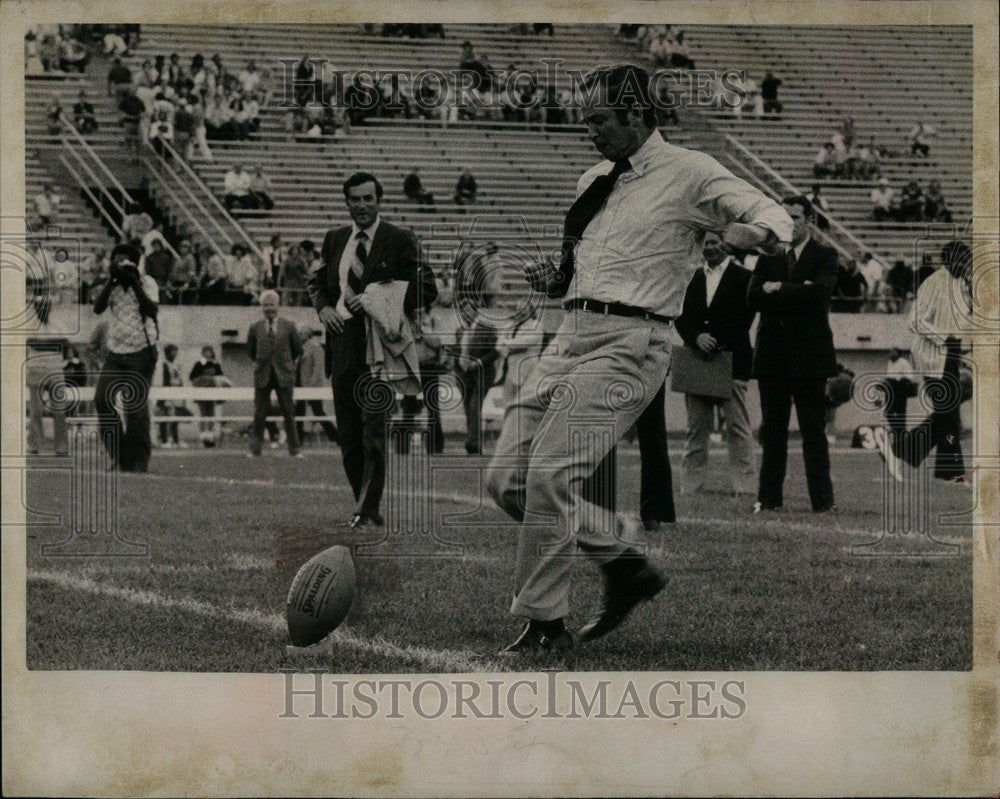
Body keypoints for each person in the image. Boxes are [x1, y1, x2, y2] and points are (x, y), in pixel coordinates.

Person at [485, 64, 793, 655]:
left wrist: (754, 235)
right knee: (507, 482)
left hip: (631, 343)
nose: (587, 128)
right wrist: (554, 278)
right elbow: (580, 272)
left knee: (550, 475)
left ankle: (545, 626)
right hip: (567, 336)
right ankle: (623, 563)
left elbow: (770, 211)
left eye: (599, 118)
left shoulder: (692, 172)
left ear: (637, 115)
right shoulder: (592, 179)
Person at [308, 172, 437, 528]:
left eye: (368, 199)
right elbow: (317, 282)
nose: (362, 205)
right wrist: (323, 309)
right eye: (355, 199)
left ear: (379, 200)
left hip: (379, 350)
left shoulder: (400, 239)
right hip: (341, 348)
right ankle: (364, 506)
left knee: (373, 434)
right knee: (349, 438)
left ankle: (365, 509)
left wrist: (377, 298)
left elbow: (427, 289)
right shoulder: (335, 239)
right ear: (346, 202)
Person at [748, 195, 837, 513]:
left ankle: (822, 502)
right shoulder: (769, 255)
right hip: (773, 355)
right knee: (772, 431)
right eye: (784, 217)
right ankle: (768, 498)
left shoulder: (825, 254)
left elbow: (820, 294)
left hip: (810, 357)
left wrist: (780, 288)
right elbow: (754, 297)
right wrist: (798, 289)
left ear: (809, 221)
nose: (789, 223)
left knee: (814, 432)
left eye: (795, 217)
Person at [877, 242, 972, 483]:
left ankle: (908, 452)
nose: (966, 266)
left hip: (950, 356)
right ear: (949, 262)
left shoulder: (960, 284)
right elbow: (915, 320)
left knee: (947, 414)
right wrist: (945, 338)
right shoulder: (933, 283)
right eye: (962, 262)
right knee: (948, 414)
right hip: (933, 358)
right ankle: (949, 470)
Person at [674, 230, 756, 495]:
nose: (710, 248)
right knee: (696, 426)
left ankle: (743, 485)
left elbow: (745, 316)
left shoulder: (745, 278)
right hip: (697, 357)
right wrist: (696, 336)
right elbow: (678, 312)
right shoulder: (691, 278)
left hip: (731, 357)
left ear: (726, 244)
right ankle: (690, 485)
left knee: (737, 426)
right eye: (706, 243)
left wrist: (715, 338)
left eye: (715, 242)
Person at [91, 243, 160, 472]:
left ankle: (138, 460)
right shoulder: (111, 285)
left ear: (134, 262)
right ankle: (119, 455)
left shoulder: (147, 282)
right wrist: (112, 281)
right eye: (116, 261)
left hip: (141, 351)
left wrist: (134, 283)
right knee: (102, 399)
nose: (120, 264)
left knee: (135, 407)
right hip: (116, 352)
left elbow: (152, 310)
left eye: (125, 261)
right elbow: (98, 308)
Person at [246, 290, 302, 457]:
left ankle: (295, 450)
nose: (269, 308)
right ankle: (255, 450)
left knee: (289, 413)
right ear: (262, 307)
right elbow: (250, 351)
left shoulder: (289, 325)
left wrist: (284, 364)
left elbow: (297, 349)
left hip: (284, 375)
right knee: (259, 414)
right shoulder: (255, 327)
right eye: (266, 305)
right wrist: (264, 363)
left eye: (272, 304)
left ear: (278, 305)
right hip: (262, 375)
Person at [295, 327, 340, 447]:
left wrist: (310, 387)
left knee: (318, 411)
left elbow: (317, 370)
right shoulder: (299, 348)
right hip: (299, 385)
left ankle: (336, 436)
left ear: (307, 334)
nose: (298, 335)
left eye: (300, 333)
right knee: (299, 411)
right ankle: (298, 439)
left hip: (311, 387)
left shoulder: (315, 348)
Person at [189, 345, 226, 447]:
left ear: (212, 352)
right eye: (205, 351)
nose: (207, 353)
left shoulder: (215, 364)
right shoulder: (199, 364)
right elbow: (192, 377)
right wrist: (202, 380)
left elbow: (221, 377)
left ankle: (210, 436)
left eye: (209, 351)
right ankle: (202, 436)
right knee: (203, 413)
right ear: (203, 353)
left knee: (211, 413)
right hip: (201, 393)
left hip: (212, 392)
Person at [156, 343, 186, 448]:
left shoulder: (177, 364)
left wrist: (182, 391)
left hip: (176, 392)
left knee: (175, 417)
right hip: (166, 392)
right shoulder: (163, 364)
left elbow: (180, 378)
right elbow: (164, 379)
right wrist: (164, 395)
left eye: (176, 351)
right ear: (167, 352)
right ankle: (164, 441)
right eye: (172, 351)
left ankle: (176, 440)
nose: (175, 354)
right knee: (164, 416)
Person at [883, 348, 916, 434]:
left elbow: (909, 376)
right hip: (890, 388)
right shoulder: (890, 362)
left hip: (900, 387)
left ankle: (901, 430)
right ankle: (897, 429)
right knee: (889, 412)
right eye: (890, 352)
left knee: (900, 412)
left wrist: (900, 383)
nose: (890, 354)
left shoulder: (903, 362)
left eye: (893, 352)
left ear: (898, 354)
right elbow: (889, 375)